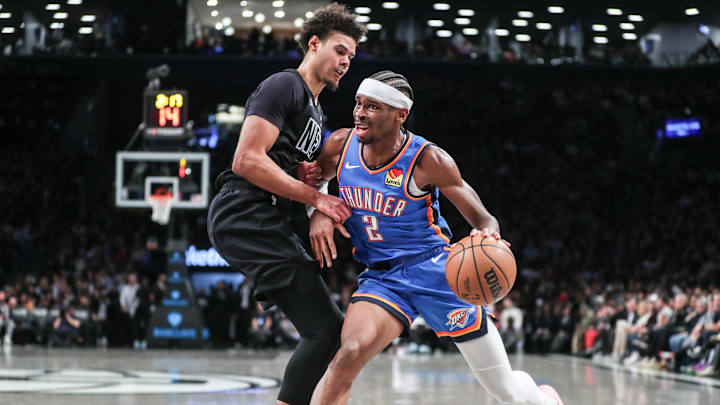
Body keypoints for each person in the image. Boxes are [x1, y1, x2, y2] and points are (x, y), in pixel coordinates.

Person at [302, 70, 564, 405]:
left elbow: (484, 218)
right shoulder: (340, 145)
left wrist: (490, 237)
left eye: (372, 106)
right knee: (346, 356)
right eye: (358, 103)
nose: (359, 113)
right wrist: (321, 209)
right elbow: (315, 184)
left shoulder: (429, 160)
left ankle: (543, 399)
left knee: (506, 393)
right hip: (383, 278)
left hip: (439, 275)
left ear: (400, 115)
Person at [206, 4, 366, 404]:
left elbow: (275, 161)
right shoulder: (284, 85)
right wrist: (316, 199)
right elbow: (247, 160)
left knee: (328, 330)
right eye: (341, 50)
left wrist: (300, 176)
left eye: (351, 56)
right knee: (325, 330)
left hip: (268, 214)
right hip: (245, 212)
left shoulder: (314, 110)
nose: (346, 62)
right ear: (314, 44)